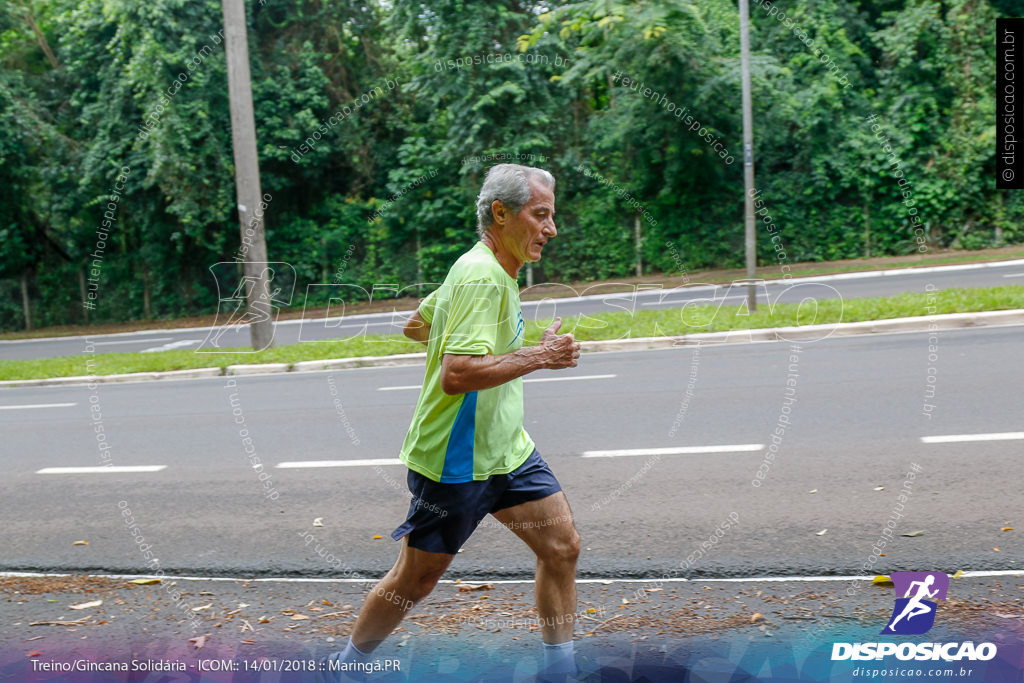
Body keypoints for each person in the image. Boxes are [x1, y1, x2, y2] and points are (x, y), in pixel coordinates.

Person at [330, 164, 583, 681]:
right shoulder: (480, 277)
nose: (551, 229)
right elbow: (458, 374)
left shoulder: (489, 269)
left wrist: (489, 345)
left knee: (561, 547)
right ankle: (345, 668)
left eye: (551, 216)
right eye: (541, 216)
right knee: (415, 580)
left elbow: (416, 324)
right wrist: (538, 357)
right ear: (501, 213)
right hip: (455, 460)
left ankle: (560, 670)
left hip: (508, 451)